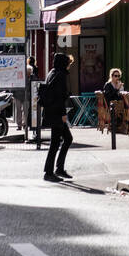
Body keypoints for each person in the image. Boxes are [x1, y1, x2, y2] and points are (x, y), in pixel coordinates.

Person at [41, 53, 74, 182]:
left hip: (51, 112)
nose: (69, 66)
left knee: (66, 139)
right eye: (68, 63)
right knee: (57, 142)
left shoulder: (52, 73)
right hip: (57, 114)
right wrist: (63, 115)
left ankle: (58, 169)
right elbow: (59, 97)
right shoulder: (60, 75)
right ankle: (50, 172)